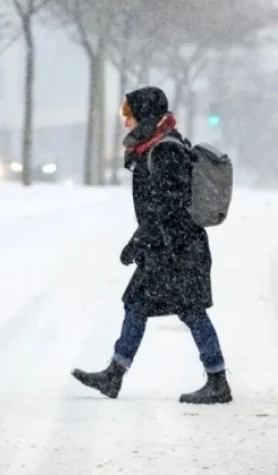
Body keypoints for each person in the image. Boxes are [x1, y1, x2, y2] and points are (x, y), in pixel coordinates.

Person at [72, 86, 231, 404]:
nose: (125, 121)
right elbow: (159, 209)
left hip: (180, 249)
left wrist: (138, 241)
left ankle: (217, 381)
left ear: (144, 115)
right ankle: (114, 375)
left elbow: (167, 207)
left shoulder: (165, 150)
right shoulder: (155, 146)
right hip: (167, 247)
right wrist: (143, 241)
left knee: (191, 311)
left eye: (128, 114)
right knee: (138, 304)